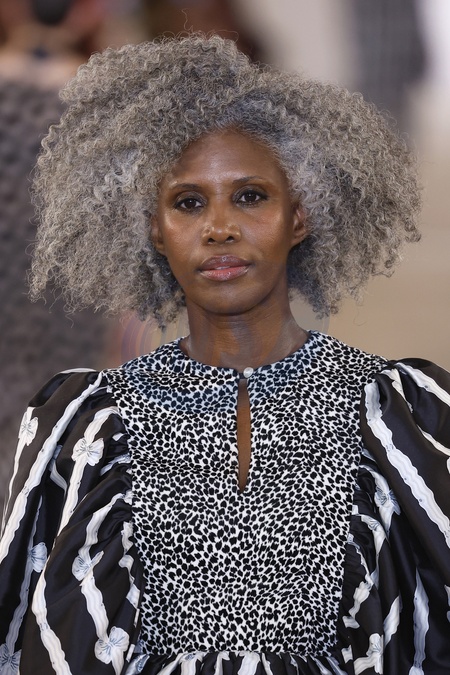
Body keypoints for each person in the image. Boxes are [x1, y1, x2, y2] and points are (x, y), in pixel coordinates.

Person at [0, 34, 449, 675]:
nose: (219, 228)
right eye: (188, 203)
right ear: (155, 230)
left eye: (250, 196)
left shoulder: (398, 414)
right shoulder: (89, 427)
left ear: (300, 216)